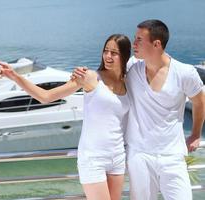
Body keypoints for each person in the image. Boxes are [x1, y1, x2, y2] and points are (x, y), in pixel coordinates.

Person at [73, 20, 205, 200]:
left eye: (139, 40)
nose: (134, 44)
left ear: (156, 44)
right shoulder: (133, 68)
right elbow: (108, 71)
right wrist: (83, 73)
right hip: (139, 156)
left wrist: (196, 134)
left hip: (172, 156)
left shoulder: (184, 72)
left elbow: (199, 101)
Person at [0, 34, 131, 200]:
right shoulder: (90, 77)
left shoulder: (127, 81)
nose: (108, 56)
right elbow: (46, 96)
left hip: (117, 156)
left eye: (114, 53)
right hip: (93, 158)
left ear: (124, 56)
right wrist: (15, 76)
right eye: (106, 51)